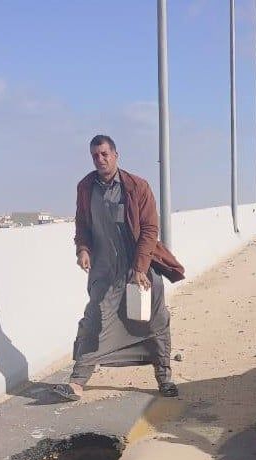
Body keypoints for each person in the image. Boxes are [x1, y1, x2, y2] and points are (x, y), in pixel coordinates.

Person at [53, 135, 185, 402]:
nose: (100, 159)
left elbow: (149, 230)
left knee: (156, 321)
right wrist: (83, 249)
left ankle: (164, 378)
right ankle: (77, 382)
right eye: (95, 155)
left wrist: (140, 268)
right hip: (104, 270)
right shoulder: (86, 187)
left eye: (104, 154)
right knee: (95, 319)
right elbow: (82, 224)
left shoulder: (137, 186)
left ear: (116, 155)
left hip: (139, 267)